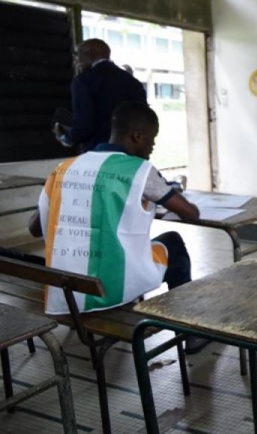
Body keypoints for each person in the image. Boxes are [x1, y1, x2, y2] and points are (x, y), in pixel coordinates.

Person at [31, 101, 209, 354]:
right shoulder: (138, 170)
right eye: (152, 139)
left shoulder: (63, 169)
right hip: (111, 289)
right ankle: (190, 331)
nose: (153, 146)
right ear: (137, 136)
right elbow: (191, 213)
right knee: (173, 242)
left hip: (65, 293)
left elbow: (34, 228)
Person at [53, 39, 146, 153]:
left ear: (91, 51)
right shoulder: (133, 82)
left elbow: (84, 126)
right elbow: (144, 119)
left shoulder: (84, 81)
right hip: (131, 153)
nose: (77, 61)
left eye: (78, 55)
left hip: (98, 153)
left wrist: (66, 138)